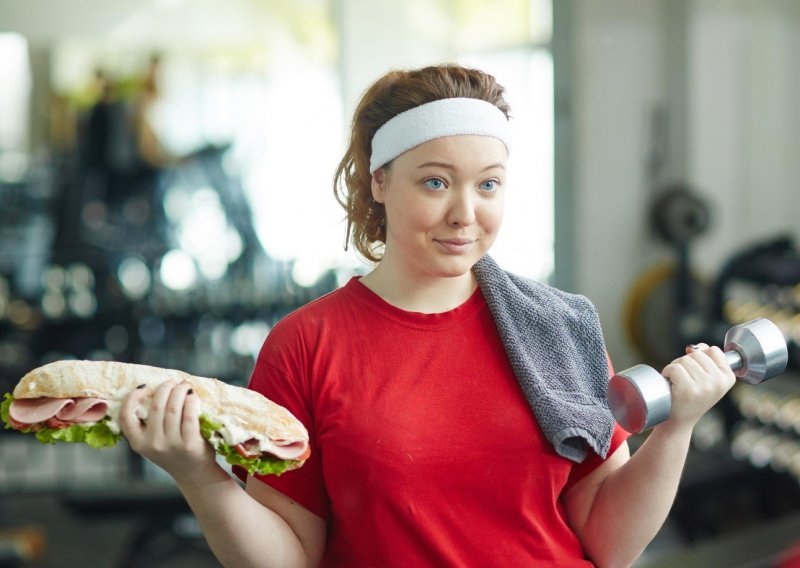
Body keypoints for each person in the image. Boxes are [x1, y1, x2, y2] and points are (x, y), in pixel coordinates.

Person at [119, 64, 736, 567]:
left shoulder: (558, 325)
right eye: (436, 183)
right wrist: (202, 479)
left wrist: (676, 429)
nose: (465, 213)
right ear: (381, 181)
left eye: (488, 185)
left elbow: (608, 543)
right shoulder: (306, 344)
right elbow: (290, 559)